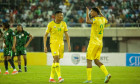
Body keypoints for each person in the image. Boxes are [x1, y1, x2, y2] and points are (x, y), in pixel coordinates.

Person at [83, 7, 111, 83]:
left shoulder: (95, 19)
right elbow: (107, 20)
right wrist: (100, 13)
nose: (90, 13)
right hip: (100, 43)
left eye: (92, 11)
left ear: (95, 12)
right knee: (96, 61)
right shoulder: (102, 19)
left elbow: (87, 21)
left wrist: (87, 12)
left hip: (93, 43)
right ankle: (107, 74)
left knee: (89, 60)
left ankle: (89, 80)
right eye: (90, 11)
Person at [44, 10, 71, 83]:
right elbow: (45, 35)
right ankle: (59, 77)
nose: (61, 17)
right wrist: (45, 46)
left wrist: (68, 45)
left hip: (61, 44)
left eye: (62, 15)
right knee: (56, 58)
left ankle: (51, 78)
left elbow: (67, 35)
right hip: (53, 43)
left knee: (55, 60)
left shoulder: (64, 24)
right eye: (60, 15)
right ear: (56, 16)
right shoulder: (50, 24)